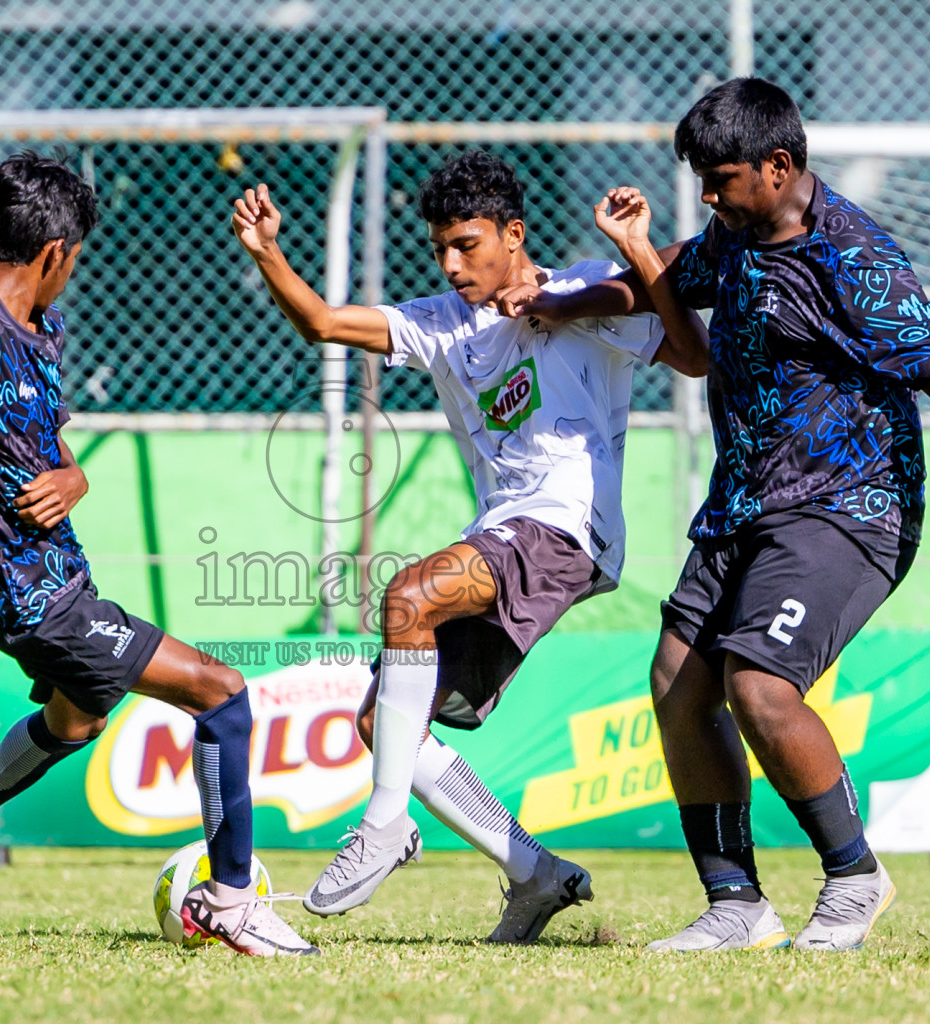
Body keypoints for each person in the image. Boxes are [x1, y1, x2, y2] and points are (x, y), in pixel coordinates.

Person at [501, 78, 930, 952]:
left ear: (779, 167)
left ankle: (855, 880)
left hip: (850, 506)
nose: (708, 195)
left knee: (758, 682)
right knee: (677, 683)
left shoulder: (854, 257)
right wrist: (563, 302)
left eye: (721, 178)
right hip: (747, 503)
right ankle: (735, 904)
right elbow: (665, 278)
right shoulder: (737, 235)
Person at [231, 150, 707, 942]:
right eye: (441, 248)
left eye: (469, 245)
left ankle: (384, 826)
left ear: (513, 235)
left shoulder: (579, 291)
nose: (453, 264)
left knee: (407, 596)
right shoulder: (441, 324)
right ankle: (534, 876)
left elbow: (692, 356)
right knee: (387, 724)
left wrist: (622, 262)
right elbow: (322, 321)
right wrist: (269, 253)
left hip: (564, 525)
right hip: (500, 532)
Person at [0, 153, 315, 957]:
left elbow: (41, 441)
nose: (73, 275)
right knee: (221, 695)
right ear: (56, 253)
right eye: (74, 260)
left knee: (78, 716)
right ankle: (232, 900)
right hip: (26, 592)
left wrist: (75, 475)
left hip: (53, 569)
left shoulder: (40, 329)